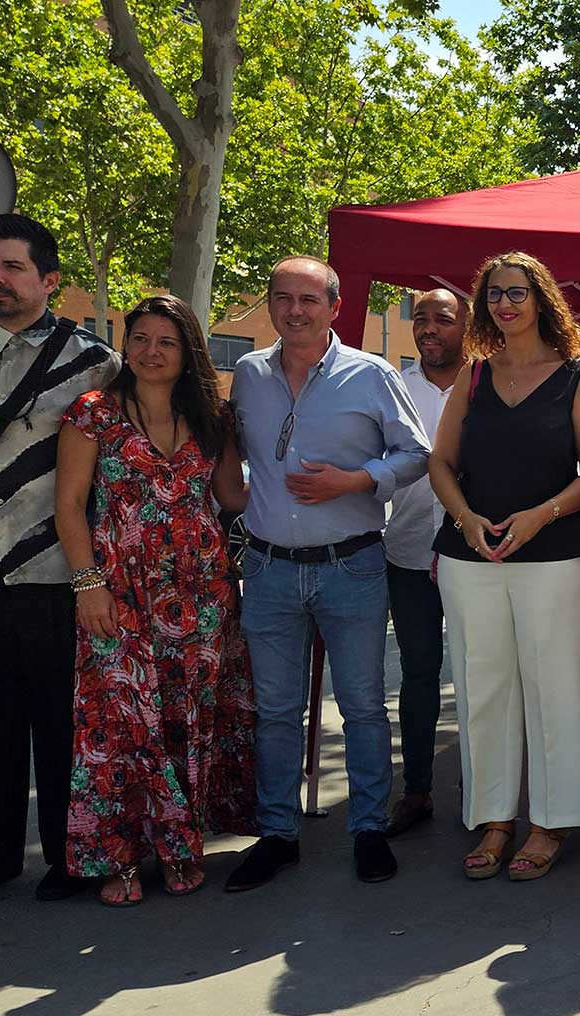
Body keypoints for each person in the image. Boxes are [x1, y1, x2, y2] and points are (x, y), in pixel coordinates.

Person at [224, 255, 432, 891]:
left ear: (335, 307)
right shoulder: (249, 374)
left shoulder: (370, 374)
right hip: (268, 569)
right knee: (276, 710)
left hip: (351, 566)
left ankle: (368, 828)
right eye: (282, 297)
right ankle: (278, 833)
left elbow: (417, 453)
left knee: (365, 706)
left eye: (308, 299)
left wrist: (359, 479)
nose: (294, 310)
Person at [53, 295, 257, 905]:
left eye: (166, 341)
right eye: (139, 338)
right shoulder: (94, 413)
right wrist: (88, 585)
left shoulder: (211, 416)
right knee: (118, 724)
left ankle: (179, 846)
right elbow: (68, 506)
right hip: (120, 592)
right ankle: (117, 858)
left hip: (203, 595)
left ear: (187, 350)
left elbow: (233, 498)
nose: (150, 351)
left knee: (185, 722)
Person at [431, 254, 580, 881]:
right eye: (495, 294)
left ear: (542, 301)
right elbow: (440, 463)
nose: (506, 303)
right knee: (483, 690)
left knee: (555, 688)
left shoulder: (577, 375)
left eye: (518, 292)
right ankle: (495, 817)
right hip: (470, 557)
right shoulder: (473, 377)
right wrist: (465, 519)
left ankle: (550, 822)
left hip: (555, 556)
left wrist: (543, 513)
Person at [0, 213, 120, 903]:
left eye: (12, 267)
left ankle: (72, 856)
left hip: (54, 572)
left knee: (63, 720)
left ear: (49, 280)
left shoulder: (93, 362)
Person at [383, 289, 470, 837]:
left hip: (476, 554)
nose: (430, 328)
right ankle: (417, 790)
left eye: (443, 318)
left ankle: (487, 796)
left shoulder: (488, 385)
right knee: (418, 674)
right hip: (409, 554)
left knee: (479, 676)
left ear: (467, 326)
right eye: (421, 319)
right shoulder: (391, 386)